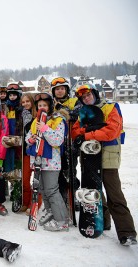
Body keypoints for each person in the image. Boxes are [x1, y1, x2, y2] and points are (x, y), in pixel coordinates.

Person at [72, 84, 137, 246]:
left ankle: (126, 232)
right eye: (83, 97)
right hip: (89, 155)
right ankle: (104, 222)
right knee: (95, 190)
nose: (86, 98)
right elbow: (75, 131)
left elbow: (112, 131)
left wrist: (87, 134)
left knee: (113, 192)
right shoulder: (83, 113)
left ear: (94, 93)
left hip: (108, 154)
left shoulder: (110, 107)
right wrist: (87, 132)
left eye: (88, 95)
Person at [25, 93, 69, 231]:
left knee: (51, 190)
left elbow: (57, 140)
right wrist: (31, 139)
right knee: (43, 189)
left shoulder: (58, 120)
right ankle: (51, 211)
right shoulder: (35, 120)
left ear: (50, 106)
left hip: (52, 162)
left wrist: (45, 128)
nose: (42, 108)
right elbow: (27, 138)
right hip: (38, 160)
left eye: (44, 105)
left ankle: (62, 220)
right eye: (39, 106)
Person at [50, 77, 82, 210]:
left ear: (67, 90)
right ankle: (62, 196)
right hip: (56, 144)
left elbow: (76, 114)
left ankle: (73, 196)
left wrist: (61, 108)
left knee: (70, 172)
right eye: (57, 89)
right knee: (58, 173)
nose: (60, 91)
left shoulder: (75, 101)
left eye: (62, 88)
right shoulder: (51, 103)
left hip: (71, 142)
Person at [20, 93, 42, 213]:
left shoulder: (37, 115)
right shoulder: (22, 115)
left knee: (36, 179)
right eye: (23, 102)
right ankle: (25, 201)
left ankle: (34, 203)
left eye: (27, 101)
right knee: (25, 179)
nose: (25, 104)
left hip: (36, 151)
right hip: (25, 151)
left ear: (32, 102)